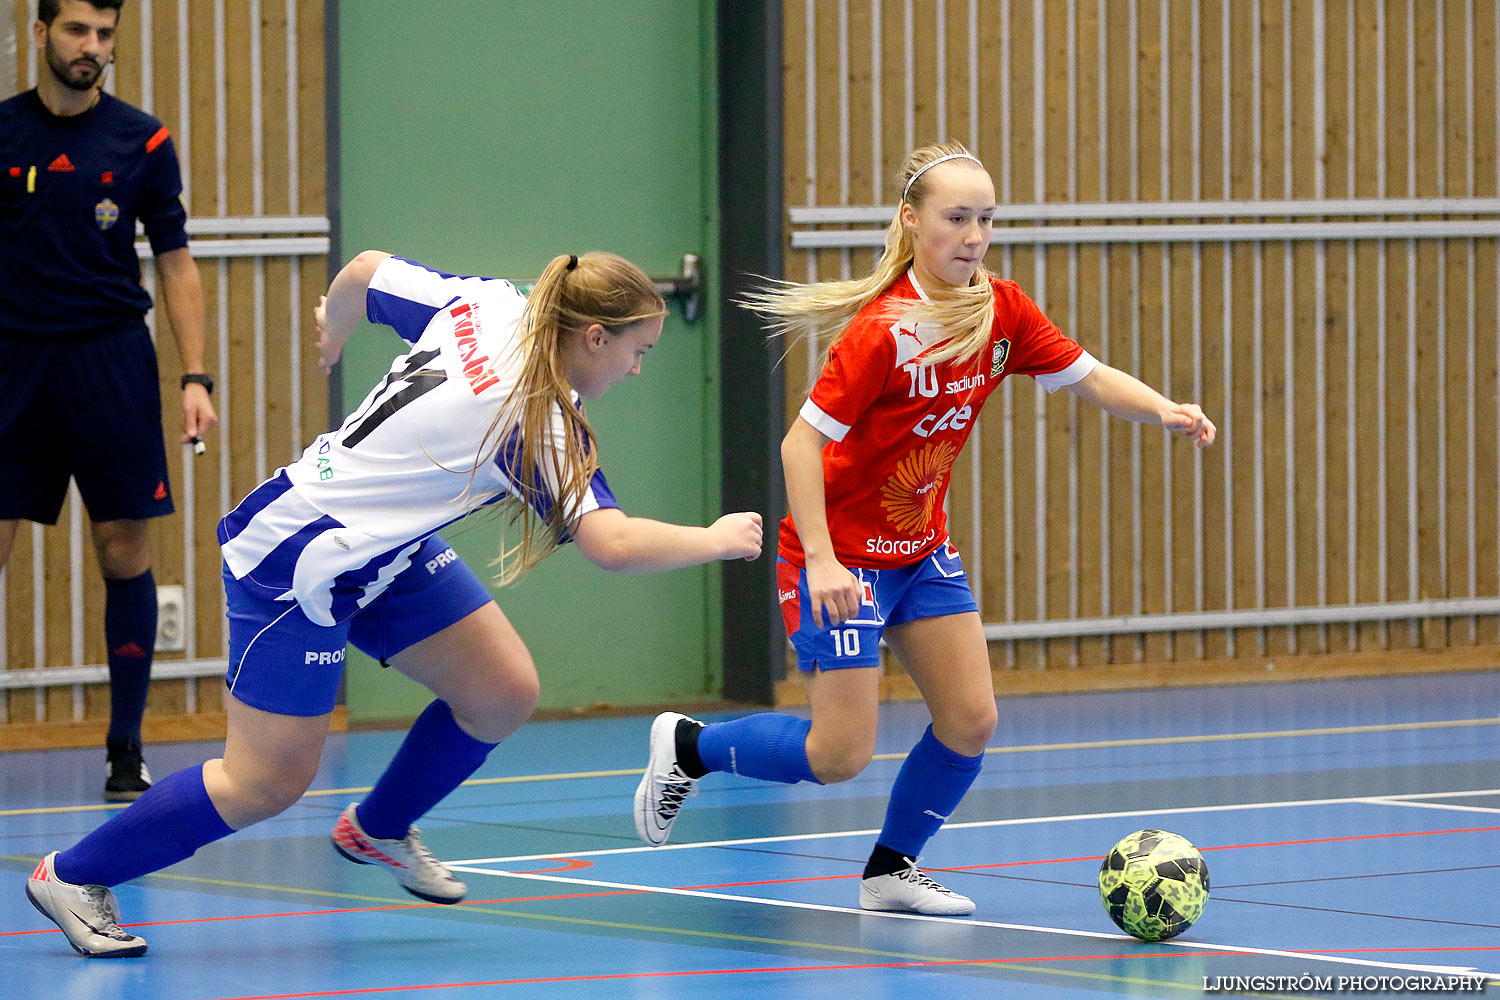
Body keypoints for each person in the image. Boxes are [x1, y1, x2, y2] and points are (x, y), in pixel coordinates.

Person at [25, 248, 764, 957]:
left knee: (501, 692)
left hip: (382, 549)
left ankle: (377, 827)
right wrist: (718, 538)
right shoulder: (535, 419)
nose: (637, 368)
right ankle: (73, 876)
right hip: (300, 560)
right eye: (638, 350)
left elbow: (365, 270)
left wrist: (334, 329)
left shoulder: (491, 302)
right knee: (265, 780)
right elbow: (614, 544)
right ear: (593, 336)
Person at [634, 141, 1216, 915]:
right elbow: (800, 445)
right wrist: (825, 562)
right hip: (840, 558)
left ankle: (889, 870)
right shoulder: (883, 333)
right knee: (839, 756)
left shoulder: (1003, 310)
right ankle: (689, 747)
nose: (973, 236)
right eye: (955, 218)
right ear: (912, 223)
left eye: (985, 219)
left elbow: (1091, 376)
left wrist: (1165, 410)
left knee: (972, 720)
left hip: (921, 552)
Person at [0, 0, 218, 801]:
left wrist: (196, 377)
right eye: (75, 32)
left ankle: (125, 748)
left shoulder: (144, 140)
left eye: (103, 36)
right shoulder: (3, 132)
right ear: (39, 33)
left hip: (112, 365)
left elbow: (177, 261)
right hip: (13, 365)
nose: (91, 48)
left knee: (124, 552)